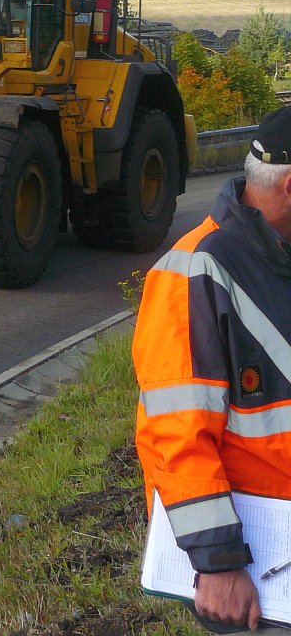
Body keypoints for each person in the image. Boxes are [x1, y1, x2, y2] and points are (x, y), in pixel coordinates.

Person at [133, 106, 291, 633]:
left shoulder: (280, 255)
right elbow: (177, 436)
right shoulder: (195, 271)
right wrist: (220, 562)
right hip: (260, 561)